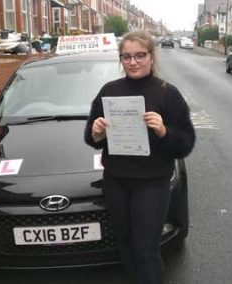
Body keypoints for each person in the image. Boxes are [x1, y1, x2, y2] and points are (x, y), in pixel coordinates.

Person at [84, 30, 196, 284]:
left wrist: (164, 130)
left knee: (146, 249)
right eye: (126, 57)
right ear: (120, 60)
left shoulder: (168, 94)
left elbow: (185, 144)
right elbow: (92, 138)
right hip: (116, 181)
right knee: (125, 245)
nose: (133, 62)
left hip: (152, 182)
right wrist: (96, 132)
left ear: (151, 57)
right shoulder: (108, 91)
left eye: (139, 56)